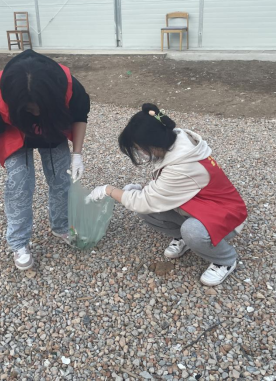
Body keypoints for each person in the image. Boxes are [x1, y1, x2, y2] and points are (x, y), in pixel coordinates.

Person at [88, 104, 247, 286]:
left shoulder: (184, 165)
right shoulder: (174, 140)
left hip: (227, 217)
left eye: (140, 148)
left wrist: (108, 190)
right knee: (147, 209)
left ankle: (225, 260)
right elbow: (162, 191)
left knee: (191, 231)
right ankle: (183, 239)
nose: (140, 152)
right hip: (198, 206)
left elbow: (145, 201)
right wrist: (137, 192)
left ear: (152, 143)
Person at [0, 50, 90, 270]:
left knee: (62, 178)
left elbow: (80, 115)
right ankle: (18, 243)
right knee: (19, 184)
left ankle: (61, 226)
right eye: (29, 107)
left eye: (38, 106)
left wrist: (77, 154)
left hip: (52, 125)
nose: (35, 112)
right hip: (14, 128)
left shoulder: (68, 85)